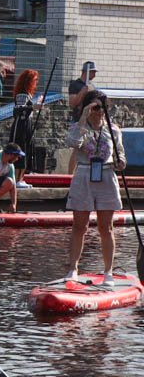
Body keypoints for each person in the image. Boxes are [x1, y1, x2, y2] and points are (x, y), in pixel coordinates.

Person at [63, 91, 126, 284]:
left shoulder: (113, 130)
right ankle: (73, 268)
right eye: (96, 107)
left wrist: (120, 161)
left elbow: (121, 154)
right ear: (88, 108)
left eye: (103, 108)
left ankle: (108, 271)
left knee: (106, 227)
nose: (100, 112)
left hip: (106, 175)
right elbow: (72, 143)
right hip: (84, 174)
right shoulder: (79, 127)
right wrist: (83, 119)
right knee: (79, 226)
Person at [7, 68, 40, 181]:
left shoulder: (27, 95)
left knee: (27, 147)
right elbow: (20, 109)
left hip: (26, 124)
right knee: (21, 146)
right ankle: (17, 178)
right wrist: (33, 107)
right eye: (34, 81)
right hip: (21, 125)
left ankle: (21, 176)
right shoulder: (22, 95)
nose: (36, 83)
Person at [67, 60, 97, 174]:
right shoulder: (75, 85)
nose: (94, 75)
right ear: (87, 72)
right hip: (79, 119)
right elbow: (72, 103)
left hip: (90, 121)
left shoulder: (91, 86)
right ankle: (70, 175)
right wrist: (83, 92)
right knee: (77, 148)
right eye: (93, 72)